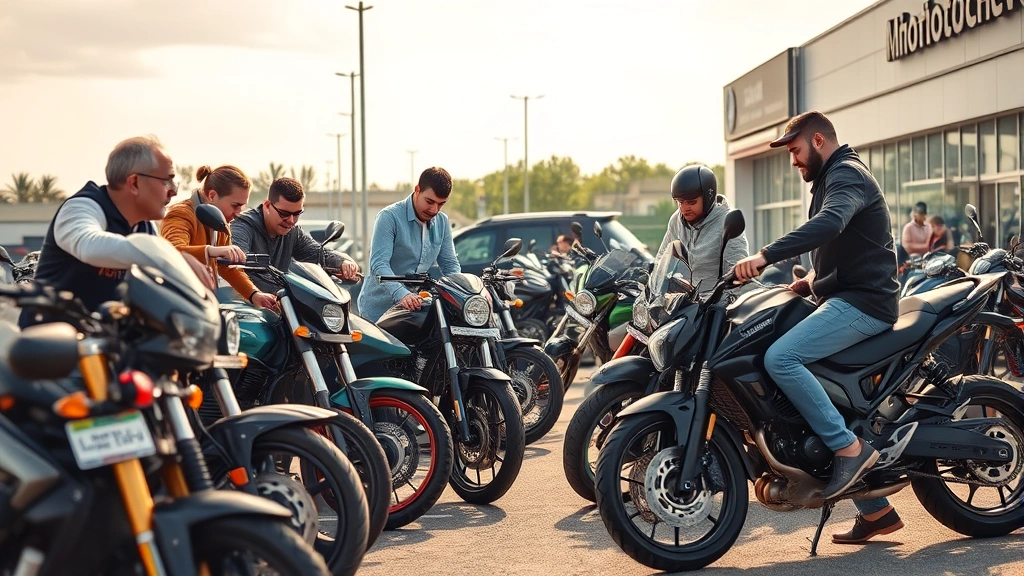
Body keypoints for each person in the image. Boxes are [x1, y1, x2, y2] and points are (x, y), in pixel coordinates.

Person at [732, 111, 904, 544]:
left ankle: (850, 450)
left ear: (819, 141)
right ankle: (877, 511)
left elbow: (831, 224)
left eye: (795, 149)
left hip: (865, 304)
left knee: (781, 358)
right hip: (843, 295)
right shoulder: (831, 178)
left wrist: (766, 255)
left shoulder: (846, 174)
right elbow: (847, 247)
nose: (792, 160)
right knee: (809, 380)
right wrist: (810, 281)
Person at [19, 136, 215, 328]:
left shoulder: (144, 227)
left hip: (107, 346)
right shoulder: (81, 208)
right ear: (134, 183)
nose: (173, 190)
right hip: (49, 344)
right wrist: (172, 254)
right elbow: (89, 246)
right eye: (167, 180)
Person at [160, 165, 278, 311]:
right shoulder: (181, 213)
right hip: (177, 306)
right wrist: (212, 251)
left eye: (242, 207)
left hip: (203, 305)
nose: (238, 213)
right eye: (235, 205)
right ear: (212, 196)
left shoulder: (221, 221)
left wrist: (254, 294)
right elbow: (171, 251)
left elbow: (227, 268)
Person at [359, 167, 460, 322]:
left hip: (416, 311)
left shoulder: (443, 221)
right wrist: (402, 294)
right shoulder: (389, 217)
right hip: (378, 313)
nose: (434, 210)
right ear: (417, 190)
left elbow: (450, 265)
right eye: (430, 201)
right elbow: (379, 264)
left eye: (441, 204)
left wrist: (461, 292)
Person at [229, 177, 359, 294]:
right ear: (267, 206)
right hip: (248, 307)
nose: (291, 220)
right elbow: (239, 264)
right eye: (284, 213)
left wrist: (343, 263)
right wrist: (284, 289)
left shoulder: (293, 233)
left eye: (297, 214)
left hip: (281, 305)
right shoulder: (242, 226)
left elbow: (318, 253)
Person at [655, 164, 748, 296]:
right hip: (685, 305)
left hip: (717, 307)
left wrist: (722, 304)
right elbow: (661, 259)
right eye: (680, 202)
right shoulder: (676, 220)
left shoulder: (727, 222)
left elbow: (737, 273)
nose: (684, 208)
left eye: (691, 202)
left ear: (708, 197)